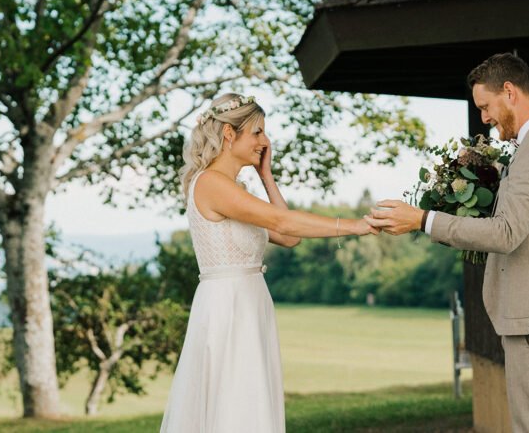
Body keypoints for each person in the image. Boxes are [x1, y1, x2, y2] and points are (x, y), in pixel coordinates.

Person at [365, 53, 529, 433]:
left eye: (486, 107)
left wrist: (422, 219)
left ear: (509, 92)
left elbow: (506, 233)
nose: (485, 118)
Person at [160, 93, 376, 433]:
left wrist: (267, 177)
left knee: (250, 401)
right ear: (230, 135)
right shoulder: (213, 184)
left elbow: (289, 238)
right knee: (233, 404)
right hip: (227, 309)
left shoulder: (235, 188)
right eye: (257, 132)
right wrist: (355, 226)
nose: (266, 141)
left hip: (249, 304)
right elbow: (286, 224)